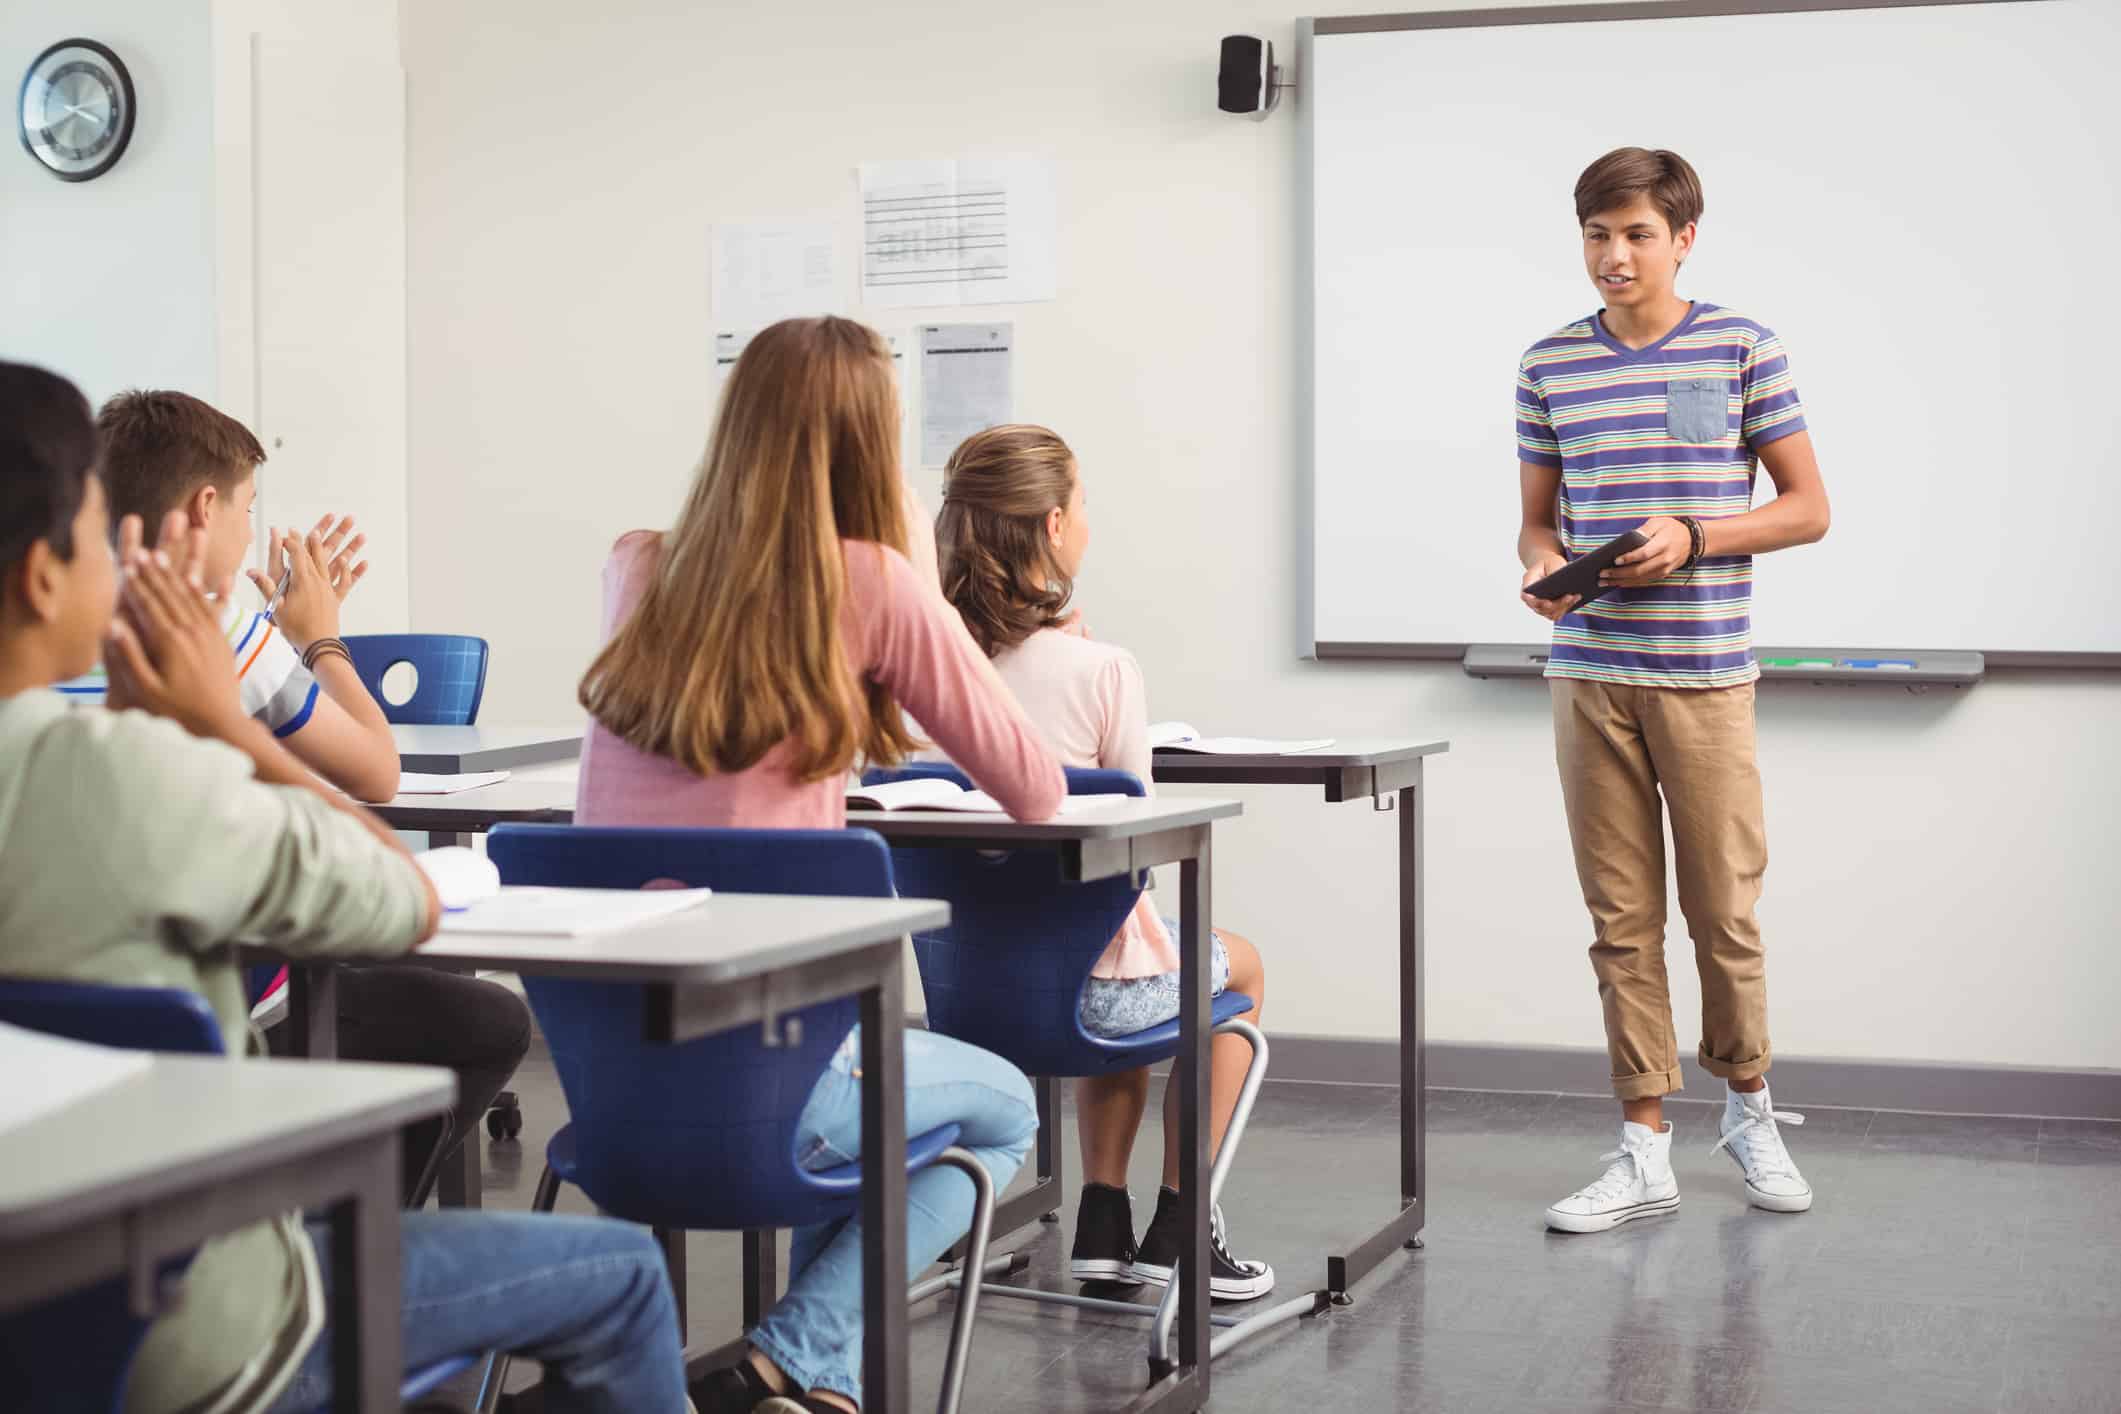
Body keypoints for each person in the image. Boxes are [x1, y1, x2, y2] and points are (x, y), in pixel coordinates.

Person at [0, 358, 689, 1414]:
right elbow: (398, 884)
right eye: (98, 533)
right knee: (629, 1275)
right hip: (180, 1332)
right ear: (48, 576)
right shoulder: (142, 766)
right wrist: (218, 726)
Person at [575, 316, 1065, 1414]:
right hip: (781, 1089)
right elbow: (1035, 785)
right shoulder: (874, 583)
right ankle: (787, 1352)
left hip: (612, 1094)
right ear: (865, 444)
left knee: (853, 1067)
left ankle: (814, 1389)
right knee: (1001, 1111)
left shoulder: (635, 563)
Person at [85, 388, 531, 1201]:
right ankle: (352, 1245)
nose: (251, 531)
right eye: (249, 510)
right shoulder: (214, 630)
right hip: (223, 1003)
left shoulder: (65, 618)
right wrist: (319, 636)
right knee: (483, 1016)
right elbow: (376, 772)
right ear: (204, 507)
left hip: (80, 1017)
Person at [1513, 148, 1831, 1233]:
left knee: (1723, 915)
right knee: (1620, 922)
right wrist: (1538, 568)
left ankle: (1749, 1111)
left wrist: (1696, 535)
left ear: (1683, 237)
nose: (1614, 255)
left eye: (1637, 234)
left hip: (1703, 675)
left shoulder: (1743, 346)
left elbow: (1806, 508)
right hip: (1589, 673)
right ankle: (1642, 1143)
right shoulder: (1549, 363)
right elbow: (1535, 519)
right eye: (1598, 235)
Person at [932, 423, 1274, 1301]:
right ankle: (1180, 1222)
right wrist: (1084, 657)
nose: (1088, 519)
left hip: (964, 992)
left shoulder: (914, 670)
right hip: (1092, 1003)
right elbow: (1138, 838)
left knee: (1126, 936)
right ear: (1051, 524)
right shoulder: (1101, 670)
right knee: (1223, 959)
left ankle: (1099, 1219)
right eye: (1081, 503)